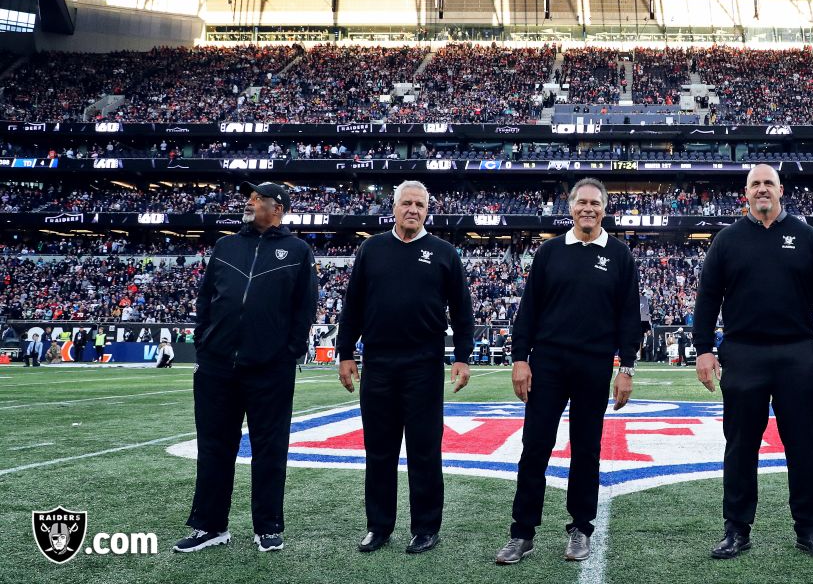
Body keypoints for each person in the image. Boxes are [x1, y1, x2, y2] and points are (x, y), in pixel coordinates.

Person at [693, 164, 813, 561]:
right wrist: (704, 349)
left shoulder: (807, 237)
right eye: (755, 184)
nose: (763, 190)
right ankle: (736, 530)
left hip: (797, 352)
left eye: (769, 184)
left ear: (782, 190)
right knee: (741, 446)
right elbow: (707, 298)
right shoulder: (726, 241)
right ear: (745, 193)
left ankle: (810, 529)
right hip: (742, 354)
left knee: (802, 446)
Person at [495, 178, 642, 566]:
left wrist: (626, 367)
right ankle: (521, 533)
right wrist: (520, 359)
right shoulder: (549, 252)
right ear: (571, 207)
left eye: (595, 203)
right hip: (547, 364)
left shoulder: (620, 255)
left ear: (605, 209)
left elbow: (629, 318)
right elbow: (528, 311)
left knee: (587, 451)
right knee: (535, 447)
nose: (588, 208)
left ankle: (580, 528)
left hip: (594, 365)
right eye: (581, 203)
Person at [174, 181, 319, 555]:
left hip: (271, 368)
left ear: (278, 208)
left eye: (258, 199)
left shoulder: (298, 251)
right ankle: (209, 525)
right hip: (217, 366)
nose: (249, 202)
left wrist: (288, 353)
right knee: (213, 447)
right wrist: (204, 341)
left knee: (270, 449)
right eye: (250, 198)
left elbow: (304, 309)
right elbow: (206, 298)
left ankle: (267, 526)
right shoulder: (226, 245)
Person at [337, 180, 475, 555]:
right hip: (378, 363)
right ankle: (379, 526)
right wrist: (345, 353)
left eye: (419, 205)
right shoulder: (372, 248)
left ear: (427, 211)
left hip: (424, 364)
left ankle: (426, 527)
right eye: (406, 203)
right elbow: (352, 306)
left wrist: (462, 356)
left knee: (424, 449)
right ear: (394, 207)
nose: (412, 210)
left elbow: (463, 310)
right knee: (378, 449)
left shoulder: (444, 252)